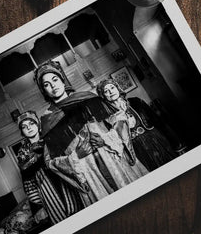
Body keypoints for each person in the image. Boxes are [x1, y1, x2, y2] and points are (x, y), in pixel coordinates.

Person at [34, 60, 148, 208]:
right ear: (44, 91)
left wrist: (106, 139)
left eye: (55, 80)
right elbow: (50, 162)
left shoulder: (87, 98)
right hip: (89, 174)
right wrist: (75, 156)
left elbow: (120, 118)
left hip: (113, 160)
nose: (53, 86)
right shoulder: (47, 119)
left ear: (62, 81)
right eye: (46, 84)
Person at [16, 111, 82, 225]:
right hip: (45, 187)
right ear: (22, 131)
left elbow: (66, 158)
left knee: (79, 212)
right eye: (24, 127)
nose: (29, 128)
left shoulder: (50, 138)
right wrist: (37, 205)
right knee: (61, 219)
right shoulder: (22, 152)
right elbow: (27, 178)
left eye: (31, 123)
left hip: (64, 180)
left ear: (37, 124)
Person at [96, 78, 177, 171]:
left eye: (112, 88)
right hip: (137, 150)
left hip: (156, 140)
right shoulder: (108, 118)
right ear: (103, 96)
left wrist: (174, 141)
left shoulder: (136, 102)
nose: (110, 92)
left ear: (118, 88)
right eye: (106, 91)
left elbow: (158, 121)